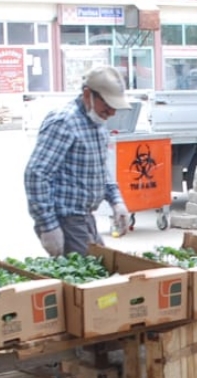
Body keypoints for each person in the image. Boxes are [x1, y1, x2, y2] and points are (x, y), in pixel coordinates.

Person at [24, 65, 133, 256]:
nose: (111, 112)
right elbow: (36, 175)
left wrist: (117, 202)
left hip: (85, 217)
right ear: (87, 95)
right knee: (91, 279)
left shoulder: (97, 123)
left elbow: (99, 169)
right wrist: (48, 226)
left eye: (114, 108)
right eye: (107, 105)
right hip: (66, 220)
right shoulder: (64, 122)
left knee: (102, 268)